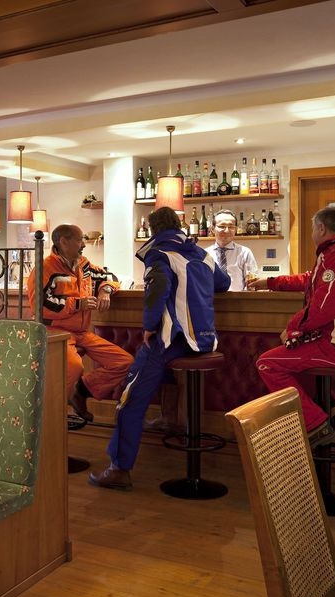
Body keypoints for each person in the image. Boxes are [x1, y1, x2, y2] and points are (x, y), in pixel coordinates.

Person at [89, 206, 230, 490]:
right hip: (205, 341)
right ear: (178, 225)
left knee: (129, 398)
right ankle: (169, 418)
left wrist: (150, 325)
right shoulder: (201, 253)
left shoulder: (159, 253)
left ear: (153, 230)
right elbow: (224, 283)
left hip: (172, 339)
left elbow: (157, 290)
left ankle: (119, 469)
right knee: (164, 375)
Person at [249, 206, 335, 447]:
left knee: (267, 363)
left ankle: (315, 426)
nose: (312, 233)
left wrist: (293, 328)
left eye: (312, 228)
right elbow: (311, 280)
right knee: (295, 357)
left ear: (321, 228)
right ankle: (333, 408)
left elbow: (325, 308)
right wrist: (270, 282)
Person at [28, 224, 133, 422]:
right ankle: (56, 417)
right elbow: (39, 306)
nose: (83, 244)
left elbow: (110, 276)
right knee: (74, 367)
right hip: (55, 331)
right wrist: (77, 304)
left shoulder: (84, 265)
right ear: (63, 242)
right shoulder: (44, 268)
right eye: (79, 240)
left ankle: (81, 393)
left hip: (82, 333)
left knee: (124, 362)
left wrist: (105, 290)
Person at [204, 209, 259, 291]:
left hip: (238, 298)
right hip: (212, 298)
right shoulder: (205, 254)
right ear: (212, 229)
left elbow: (252, 283)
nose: (227, 230)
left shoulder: (245, 252)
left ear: (235, 229)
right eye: (222, 226)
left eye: (231, 227)